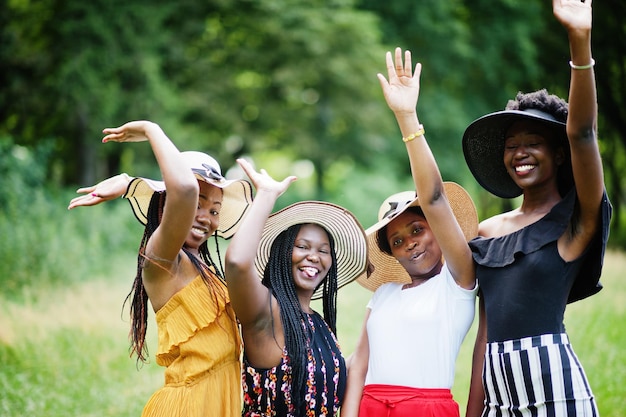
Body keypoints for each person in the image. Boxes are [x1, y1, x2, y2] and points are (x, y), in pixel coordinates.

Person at [462, 1, 612, 416]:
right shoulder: (488, 232)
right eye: (512, 146)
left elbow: (582, 133)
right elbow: (484, 333)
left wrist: (579, 42)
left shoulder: (573, 222)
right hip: (498, 391)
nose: (520, 153)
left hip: (553, 385)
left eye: (533, 142)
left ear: (559, 155)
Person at [68, 120, 253, 417]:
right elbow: (183, 189)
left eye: (215, 210)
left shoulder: (205, 268)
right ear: (166, 205)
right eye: (198, 204)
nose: (205, 217)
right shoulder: (164, 260)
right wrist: (150, 130)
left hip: (220, 403)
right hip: (188, 407)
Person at [341, 48, 479, 417]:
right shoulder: (384, 295)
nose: (409, 243)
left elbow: (433, 197)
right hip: (370, 405)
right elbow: (359, 366)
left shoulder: (456, 283)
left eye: (417, 229)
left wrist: (407, 118)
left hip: (425, 408)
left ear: (437, 228)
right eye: (397, 241)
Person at [224, 158, 368, 417]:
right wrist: (266, 196)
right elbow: (236, 263)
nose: (314, 256)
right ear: (282, 253)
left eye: (323, 251)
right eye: (302, 246)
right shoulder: (266, 311)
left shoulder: (319, 323)